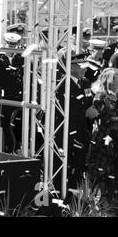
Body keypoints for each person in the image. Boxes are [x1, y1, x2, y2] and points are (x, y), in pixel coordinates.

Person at [55, 53, 97, 189]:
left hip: (82, 131)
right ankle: (62, 195)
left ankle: (75, 197)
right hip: (65, 133)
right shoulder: (61, 85)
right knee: (65, 167)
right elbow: (60, 110)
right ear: (71, 67)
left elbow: (89, 102)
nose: (85, 69)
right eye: (81, 66)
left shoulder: (85, 83)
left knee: (79, 166)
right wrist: (84, 113)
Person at [86, 68, 118, 204]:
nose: (117, 81)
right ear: (107, 80)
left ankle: (113, 198)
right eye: (115, 78)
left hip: (115, 138)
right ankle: (102, 199)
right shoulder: (100, 97)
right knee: (103, 168)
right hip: (103, 137)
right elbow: (105, 116)